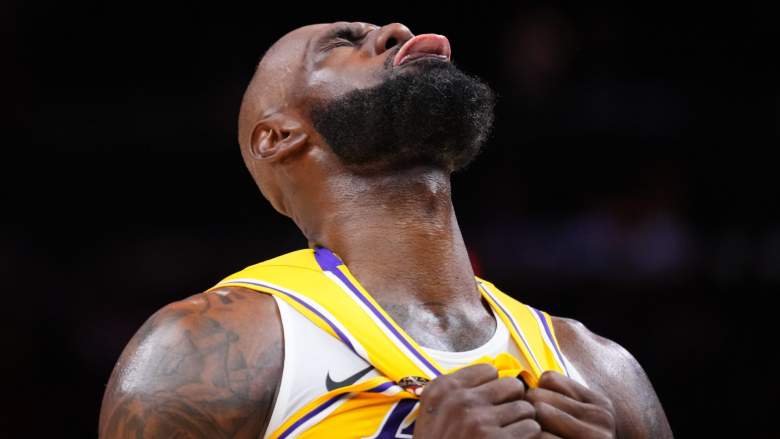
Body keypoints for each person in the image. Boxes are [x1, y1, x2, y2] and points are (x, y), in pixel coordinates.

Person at [99, 21, 673, 438]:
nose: (396, 31)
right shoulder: (205, 349)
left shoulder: (601, 369)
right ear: (278, 135)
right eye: (343, 43)